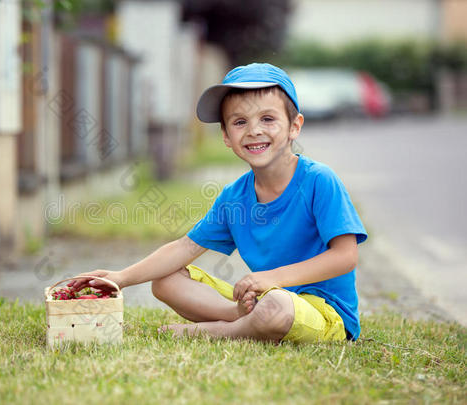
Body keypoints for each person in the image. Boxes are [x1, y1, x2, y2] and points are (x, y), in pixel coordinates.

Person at [69, 63, 368, 343]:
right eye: (240, 122)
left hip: (323, 312)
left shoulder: (319, 181)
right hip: (265, 297)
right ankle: (238, 318)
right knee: (164, 280)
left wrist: (273, 279)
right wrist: (121, 278)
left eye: (268, 118)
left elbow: (345, 256)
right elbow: (185, 248)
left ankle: (220, 332)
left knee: (276, 305)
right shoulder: (234, 197)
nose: (254, 130)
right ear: (226, 135)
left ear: (294, 126)